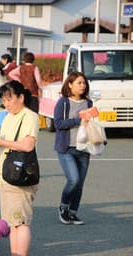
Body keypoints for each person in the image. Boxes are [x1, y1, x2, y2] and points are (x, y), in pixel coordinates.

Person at [0, 81, 39, 256]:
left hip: (20, 177)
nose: (6, 104)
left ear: (21, 97)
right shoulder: (8, 117)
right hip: (7, 176)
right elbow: (7, 142)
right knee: (12, 223)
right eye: (3, 100)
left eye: (9, 99)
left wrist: (0, 141)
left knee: (21, 222)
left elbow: (28, 145)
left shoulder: (29, 116)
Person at [54, 71, 92, 225]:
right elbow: (58, 124)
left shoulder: (88, 103)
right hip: (66, 148)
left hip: (84, 148)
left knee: (80, 183)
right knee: (73, 180)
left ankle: (73, 212)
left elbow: (91, 123)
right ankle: (63, 207)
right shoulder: (63, 102)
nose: (82, 86)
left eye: (84, 83)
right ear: (70, 85)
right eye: (79, 83)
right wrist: (78, 120)